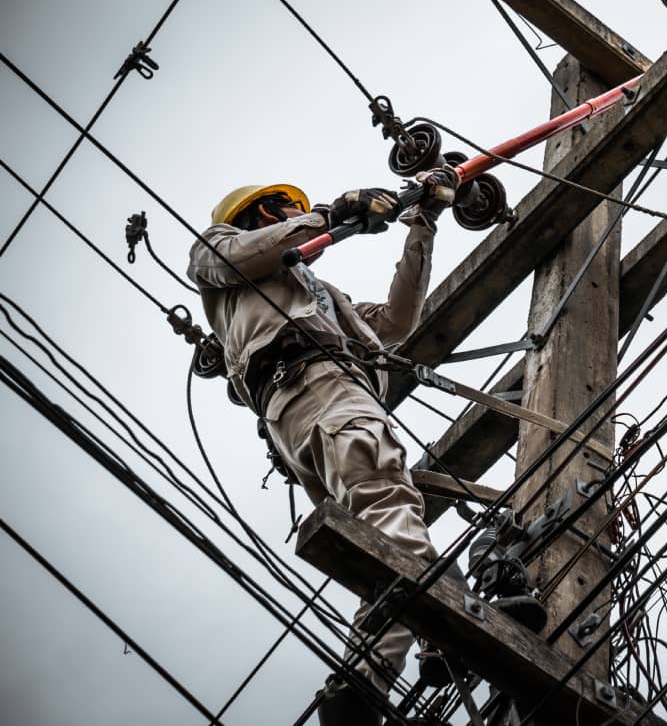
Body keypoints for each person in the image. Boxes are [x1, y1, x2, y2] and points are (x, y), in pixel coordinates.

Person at [187, 173, 537, 725]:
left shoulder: (322, 296)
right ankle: (367, 677)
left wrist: (423, 221)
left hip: (327, 396)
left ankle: (433, 630)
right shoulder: (218, 252)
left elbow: (398, 322)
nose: (291, 219)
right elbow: (251, 254)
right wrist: (331, 213)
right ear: (257, 215)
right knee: (387, 504)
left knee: (383, 528)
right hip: (313, 387)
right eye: (284, 212)